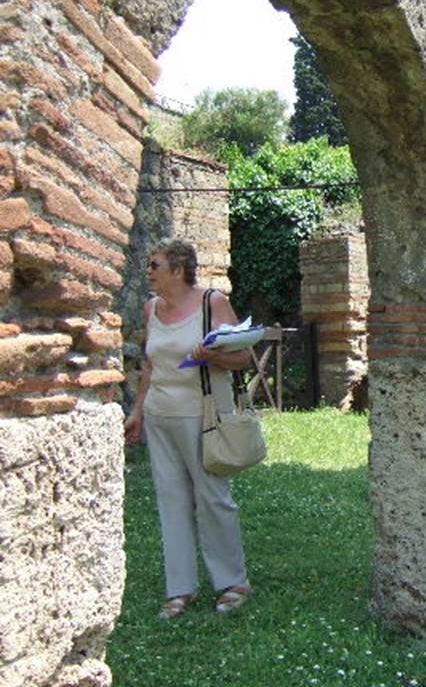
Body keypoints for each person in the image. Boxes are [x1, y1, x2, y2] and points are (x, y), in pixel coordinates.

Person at [123, 239, 254, 620]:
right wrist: (137, 412)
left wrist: (213, 356)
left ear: (178, 270)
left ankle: (233, 583)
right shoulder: (151, 308)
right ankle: (179, 589)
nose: (148, 271)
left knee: (212, 497)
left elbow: (243, 356)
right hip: (160, 414)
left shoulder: (213, 302)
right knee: (171, 499)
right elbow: (150, 365)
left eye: (155, 265)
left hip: (203, 413)